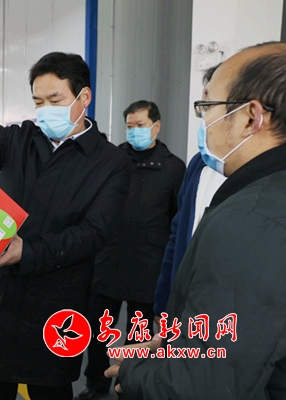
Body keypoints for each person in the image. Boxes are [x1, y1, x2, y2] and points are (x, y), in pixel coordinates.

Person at [0, 52, 132, 400]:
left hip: (52, 309)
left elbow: (93, 233)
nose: (45, 110)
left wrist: (27, 251)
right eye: (38, 102)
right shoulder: (21, 139)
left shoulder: (111, 163)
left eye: (55, 100)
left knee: (47, 388)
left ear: (84, 97)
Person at [106, 41, 286, 399]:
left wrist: (134, 371)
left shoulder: (248, 221)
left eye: (207, 107)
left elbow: (203, 384)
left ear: (251, 117)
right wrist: (177, 343)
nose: (204, 122)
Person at [75, 101, 185, 400]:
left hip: (148, 266)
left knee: (139, 336)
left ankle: (131, 386)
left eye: (140, 125)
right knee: (100, 331)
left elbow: (176, 218)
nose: (134, 131)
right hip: (108, 260)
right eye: (130, 126)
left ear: (156, 126)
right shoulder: (112, 160)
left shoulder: (173, 168)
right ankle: (96, 384)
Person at [153, 65, 226, 322]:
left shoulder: (261, 175)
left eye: (210, 105)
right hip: (184, 306)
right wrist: (164, 306)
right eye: (203, 107)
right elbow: (177, 235)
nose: (204, 117)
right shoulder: (199, 163)